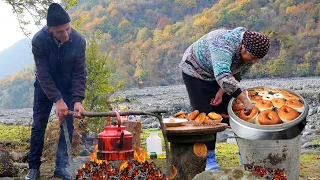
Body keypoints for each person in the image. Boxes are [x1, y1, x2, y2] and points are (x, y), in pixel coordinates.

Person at [179, 27, 270, 170]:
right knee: (205, 115)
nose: (253, 62)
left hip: (221, 74)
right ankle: (208, 159)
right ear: (243, 47)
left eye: (257, 59)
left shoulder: (251, 53)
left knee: (230, 112)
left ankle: (246, 156)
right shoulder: (222, 43)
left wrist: (221, 92)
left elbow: (236, 76)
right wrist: (245, 99)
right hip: (195, 71)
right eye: (252, 58)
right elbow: (223, 75)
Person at [24, 3, 87, 180]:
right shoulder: (39, 40)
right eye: (60, 32)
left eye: (68, 29)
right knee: (38, 125)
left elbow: (80, 73)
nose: (66, 34)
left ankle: (61, 166)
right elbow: (42, 74)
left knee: (67, 125)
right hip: (45, 87)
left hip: (67, 86)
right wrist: (57, 100)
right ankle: (33, 168)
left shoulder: (79, 41)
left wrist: (77, 100)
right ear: (50, 29)